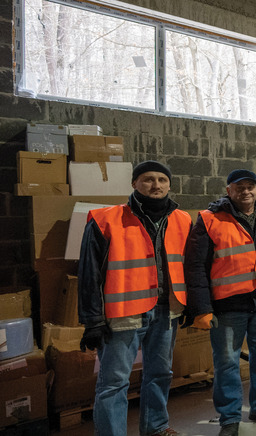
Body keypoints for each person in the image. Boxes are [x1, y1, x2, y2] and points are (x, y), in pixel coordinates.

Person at [78, 160, 190, 436]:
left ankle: (156, 427)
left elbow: (189, 265)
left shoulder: (182, 219)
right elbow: (88, 273)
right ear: (134, 184)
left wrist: (190, 303)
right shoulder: (106, 219)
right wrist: (92, 320)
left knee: (161, 374)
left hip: (167, 310)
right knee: (114, 383)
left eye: (162, 180)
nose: (156, 185)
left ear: (170, 185)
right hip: (124, 313)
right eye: (148, 179)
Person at [184, 169, 256, 436]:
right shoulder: (209, 219)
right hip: (227, 304)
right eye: (239, 187)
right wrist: (201, 308)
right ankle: (230, 417)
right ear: (228, 190)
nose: (245, 191)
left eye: (251, 186)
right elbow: (196, 267)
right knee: (226, 362)